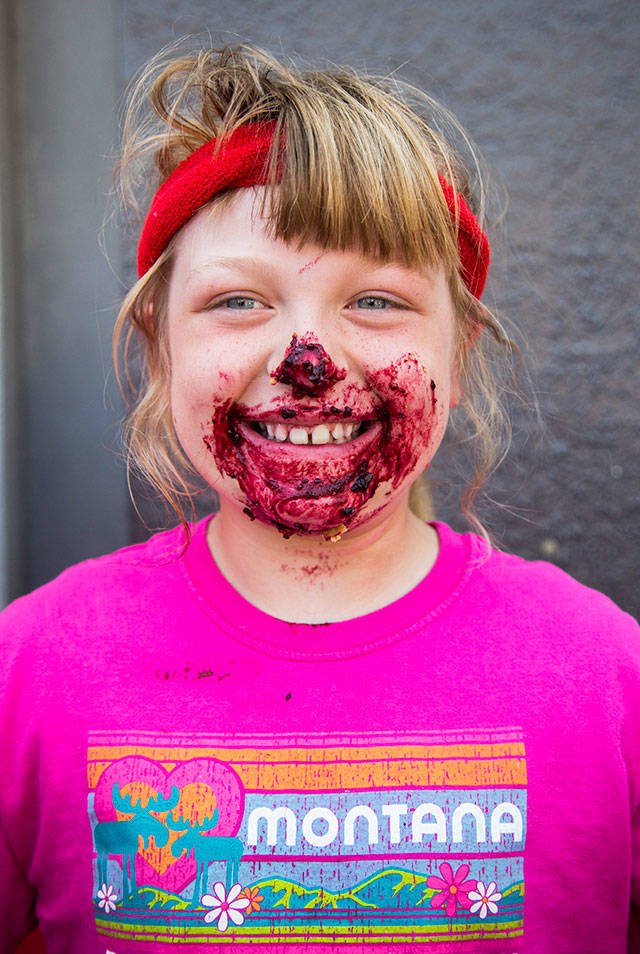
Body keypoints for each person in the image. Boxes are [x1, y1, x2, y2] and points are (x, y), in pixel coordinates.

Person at [0, 42, 638, 954]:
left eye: (376, 301)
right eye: (237, 302)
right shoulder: (31, 670)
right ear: (159, 347)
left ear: (457, 357)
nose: (309, 361)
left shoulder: (607, 678)